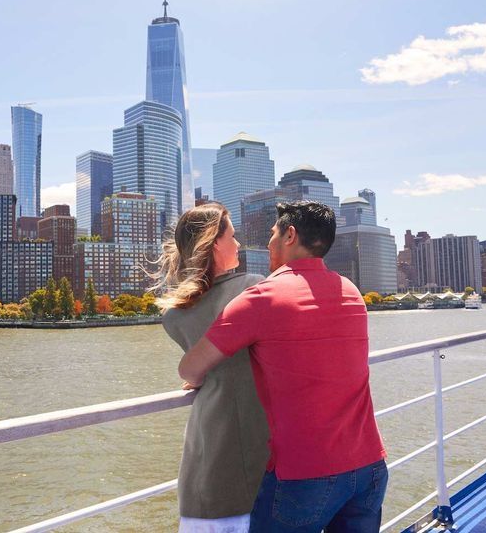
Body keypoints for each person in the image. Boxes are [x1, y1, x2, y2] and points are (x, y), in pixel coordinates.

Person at [179, 201, 387, 532]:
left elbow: (190, 369)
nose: (268, 242)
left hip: (303, 477)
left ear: (290, 235)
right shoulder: (351, 292)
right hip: (370, 469)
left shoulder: (261, 298)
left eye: (273, 233)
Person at [152, 203, 270, 533]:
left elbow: (198, 368)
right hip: (257, 468)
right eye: (233, 236)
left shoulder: (175, 318)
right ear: (214, 243)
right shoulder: (254, 288)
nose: (238, 245)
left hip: (202, 472)